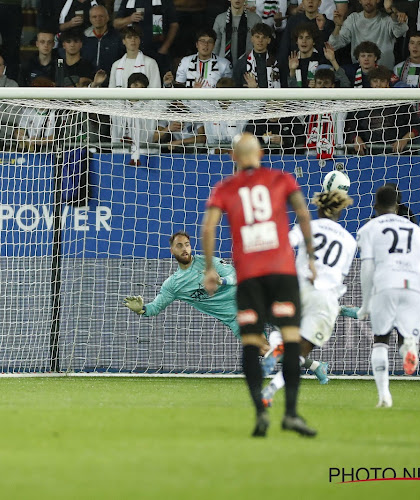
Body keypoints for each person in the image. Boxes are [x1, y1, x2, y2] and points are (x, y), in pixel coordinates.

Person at [201, 133, 317, 437]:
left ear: (232, 157)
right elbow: (303, 214)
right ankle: (291, 413)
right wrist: (313, 260)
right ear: (261, 154)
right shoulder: (281, 178)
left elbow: (209, 226)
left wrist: (210, 269)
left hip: (249, 276)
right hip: (282, 273)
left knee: (251, 342)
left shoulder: (225, 188)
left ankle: (260, 413)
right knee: (291, 339)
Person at [261, 189, 357, 407]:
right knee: (300, 353)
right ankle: (270, 389)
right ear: (340, 212)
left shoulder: (306, 227)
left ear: (319, 208)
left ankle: (275, 356)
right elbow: (339, 277)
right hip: (325, 300)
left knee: (281, 330)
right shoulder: (350, 242)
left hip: (298, 287)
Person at [123, 230, 274, 354]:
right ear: (172, 250)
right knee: (261, 348)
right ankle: (291, 358)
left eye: (187, 245)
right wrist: (141, 309)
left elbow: (235, 275)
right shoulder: (173, 285)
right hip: (235, 317)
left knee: (289, 327)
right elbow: (155, 307)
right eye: (179, 245)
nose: (184, 249)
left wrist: (222, 281)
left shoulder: (208, 262)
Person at [357, 184, 420, 407]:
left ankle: (384, 396)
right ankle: (409, 346)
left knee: (380, 341)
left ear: (375, 204)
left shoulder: (369, 229)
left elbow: (368, 269)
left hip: (386, 283)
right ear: (398, 206)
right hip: (414, 286)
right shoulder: (416, 231)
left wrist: (365, 303)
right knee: (405, 336)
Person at [348, 66, 420, 154]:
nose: (378, 85)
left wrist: (405, 139)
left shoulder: (401, 103)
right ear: (371, 84)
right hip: (369, 153)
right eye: (375, 81)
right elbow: (352, 126)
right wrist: (356, 138)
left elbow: (417, 126)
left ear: (388, 83)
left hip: (399, 153)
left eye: (382, 81)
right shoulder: (363, 104)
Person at [329, 0, 409, 69]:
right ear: (360, 1)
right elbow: (334, 45)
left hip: (384, 73)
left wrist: (391, 11)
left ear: (377, 0)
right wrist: (338, 26)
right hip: (360, 73)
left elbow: (400, 32)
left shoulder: (387, 19)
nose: (368, 1)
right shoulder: (353, 19)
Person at [113, 0, 179, 75]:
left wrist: (165, 47)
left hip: (157, 51)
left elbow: (174, 25)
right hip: (134, 52)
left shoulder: (164, 1)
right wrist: (130, 19)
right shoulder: (128, 1)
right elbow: (116, 24)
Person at [303, 68, 348, 159]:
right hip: (312, 153)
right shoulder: (308, 104)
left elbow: (347, 85)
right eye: (319, 83)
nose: (323, 86)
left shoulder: (341, 105)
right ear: (314, 85)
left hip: (336, 152)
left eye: (326, 83)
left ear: (333, 86)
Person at [278, 0, 335, 65]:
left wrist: (321, 29)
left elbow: (329, 50)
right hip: (294, 66)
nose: (310, 1)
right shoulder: (293, 21)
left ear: (319, 3)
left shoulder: (328, 24)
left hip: (320, 68)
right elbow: (285, 47)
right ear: (302, 2)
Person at [213, 0, 261, 69]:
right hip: (223, 66)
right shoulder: (220, 19)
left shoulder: (255, 19)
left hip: (249, 66)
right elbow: (215, 44)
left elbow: (260, 44)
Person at [233, 23, 281, 89]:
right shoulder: (241, 63)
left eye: (264, 37)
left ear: (269, 40)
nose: (260, 40)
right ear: (252, 39)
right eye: (257, 37)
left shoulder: (277, 61)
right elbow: (235, 89)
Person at [81, 5, 124, 77]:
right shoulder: (84, 38)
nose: (98, 19)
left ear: (107, 18)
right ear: (90, 19)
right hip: (88, 80)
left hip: (111, 79)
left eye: (101, 16)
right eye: (94, 17)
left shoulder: (117, 37)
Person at [285, 23, 329, 87]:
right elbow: (291, 90)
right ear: (296, 41)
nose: (304, 41)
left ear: (314, 41)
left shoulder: (322, 60)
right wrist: (292, 70)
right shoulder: (292, 61)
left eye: (308, 38)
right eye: (301, 37)